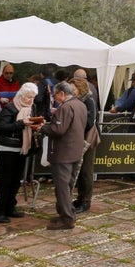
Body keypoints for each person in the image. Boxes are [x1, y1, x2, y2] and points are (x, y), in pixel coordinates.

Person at [35, 81, 87, 230]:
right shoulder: (80, 104)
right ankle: (68, 213)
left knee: (62, 187)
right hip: (75, 150)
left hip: (63, 152)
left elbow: (58, 130)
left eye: (55, 94)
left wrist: (43, 127)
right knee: (68, 185)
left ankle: (66, 218)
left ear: (62, 94)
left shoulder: (66, 107)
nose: (54, 97)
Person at [0, 83, 38, 223]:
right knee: (5, 181)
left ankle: (10, 207)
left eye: (33, 97)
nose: (31, 100)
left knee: (16, 180)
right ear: (21, 96)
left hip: (22, 147)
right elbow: (2, 127)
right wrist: (21, 123)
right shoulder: (10, 108)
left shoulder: (32, 108)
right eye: (29, 97)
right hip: (7, 148)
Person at [70, 77, 99, 212]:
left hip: (88, 139)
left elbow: (89, 122)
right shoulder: (75, 100)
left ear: (80, 88)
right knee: (79, 170)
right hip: (78, 138)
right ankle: (81, 197)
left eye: (73, 87)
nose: (71, 90)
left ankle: (86, 200)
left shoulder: (88, 100)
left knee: (86, 171)